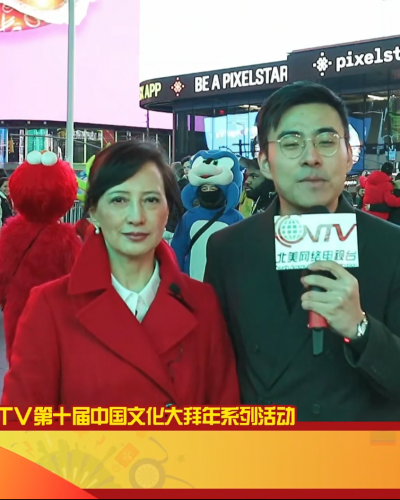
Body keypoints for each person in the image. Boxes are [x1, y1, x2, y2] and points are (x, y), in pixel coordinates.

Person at [205, 81, 400, 421]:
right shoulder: (228, 248)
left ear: (349, 156)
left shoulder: (392, 246)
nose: (311, 157)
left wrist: (361, 328)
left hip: (361, 462)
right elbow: (214, 365)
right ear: (265, 161)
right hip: (263, 460)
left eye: (326, 141)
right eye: (291, 143)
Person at [2, 140, 239, 408]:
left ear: (168, 210)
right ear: (94, 211)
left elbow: (224, 417)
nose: (136, 216)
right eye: (119, 200)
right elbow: (21, 428)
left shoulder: (202, 303)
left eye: (150, 199)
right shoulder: (49, 306)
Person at [0, 151, 82, 363]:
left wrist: (5, 301)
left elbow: (2, 275)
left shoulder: (9, 235)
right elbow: (78, 282)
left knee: (21, 369)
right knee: (54, 369)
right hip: (56, 315)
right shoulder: (67, 239)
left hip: (19, 310)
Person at [171, 150, 244, 282]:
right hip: (193, 284)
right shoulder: (189, 217)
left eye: (213, 188)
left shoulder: (236, 218)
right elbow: (178, 250)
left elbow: (243, 254)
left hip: (225, 287)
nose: (209, 192)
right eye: (205, 188)